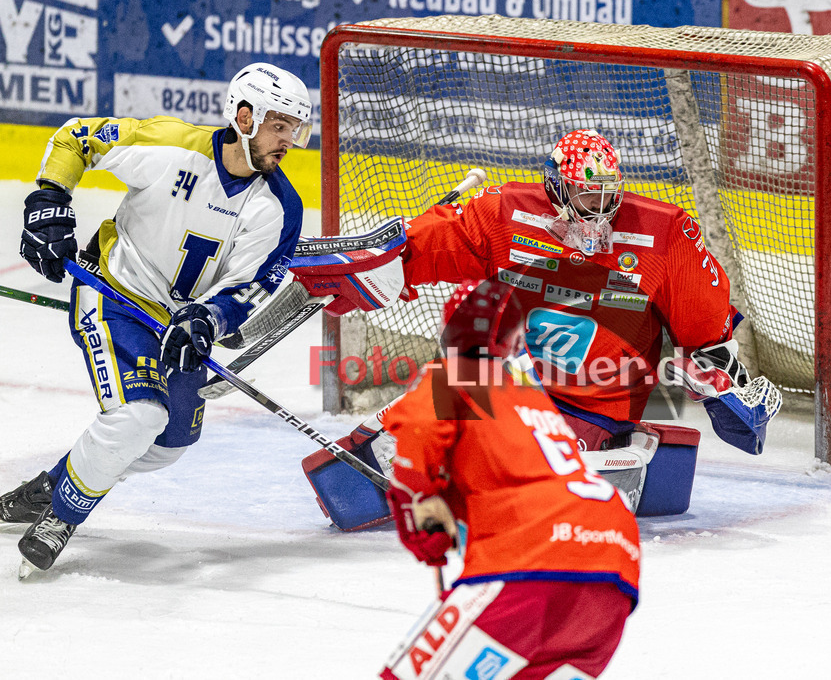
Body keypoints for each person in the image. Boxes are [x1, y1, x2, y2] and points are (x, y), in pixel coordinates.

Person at [302, 129, 781, 530]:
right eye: (585, 194)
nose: (600, 209)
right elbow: (437, 243)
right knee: (397, 436)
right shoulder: (506, 212)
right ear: (555, 188)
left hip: (595, 407)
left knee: (527, 484)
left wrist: (723, 383)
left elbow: (708, 334)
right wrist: (384, 264)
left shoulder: (666, 233)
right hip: (510, 384)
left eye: (608, 194)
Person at [0, 62, 312, 575]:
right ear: (244, 115)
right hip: (115, 293)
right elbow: (77, 138)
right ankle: (62, 515)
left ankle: (59, 482)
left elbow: (254, 283)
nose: (289, 141)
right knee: (138, 417)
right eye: (280, 125)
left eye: (295, 129)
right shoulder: (172, 145)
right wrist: (49, 198)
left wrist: (208, 320)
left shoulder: (280, 206)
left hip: (179, 329)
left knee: (169, 444)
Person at [379, 279, 639, 680]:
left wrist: (417, 499)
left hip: (532, 557)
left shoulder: (455, 376)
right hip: (614, 562)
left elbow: (417, 432)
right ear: (518, 342)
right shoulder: (532, 398)